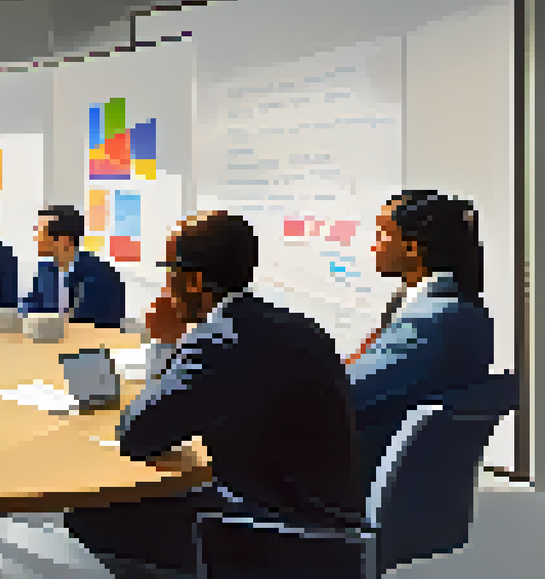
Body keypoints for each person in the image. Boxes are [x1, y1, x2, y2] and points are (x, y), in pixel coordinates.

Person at [64, 212, 362, 578]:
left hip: (279, 537)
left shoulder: (220, 339)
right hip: (333, 533)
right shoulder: (299, 327)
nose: (165, 283)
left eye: (169, 270)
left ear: (192, 282)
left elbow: (137, 435)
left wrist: (167, 340)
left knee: (92, 514)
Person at [348, 191, 493, 486]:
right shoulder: (464, 314)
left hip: (351, 487)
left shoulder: (428, 323)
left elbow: (341, 399)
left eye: (382, 235)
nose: (374, 246)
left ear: (413, 249)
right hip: (416, 491)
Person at [19, 204, 126, 327]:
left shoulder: (101, 275)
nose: (36, 238)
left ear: (63, 240)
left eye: (41, 232)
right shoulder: (46, 269)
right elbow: (30, 306)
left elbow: (85, 322)